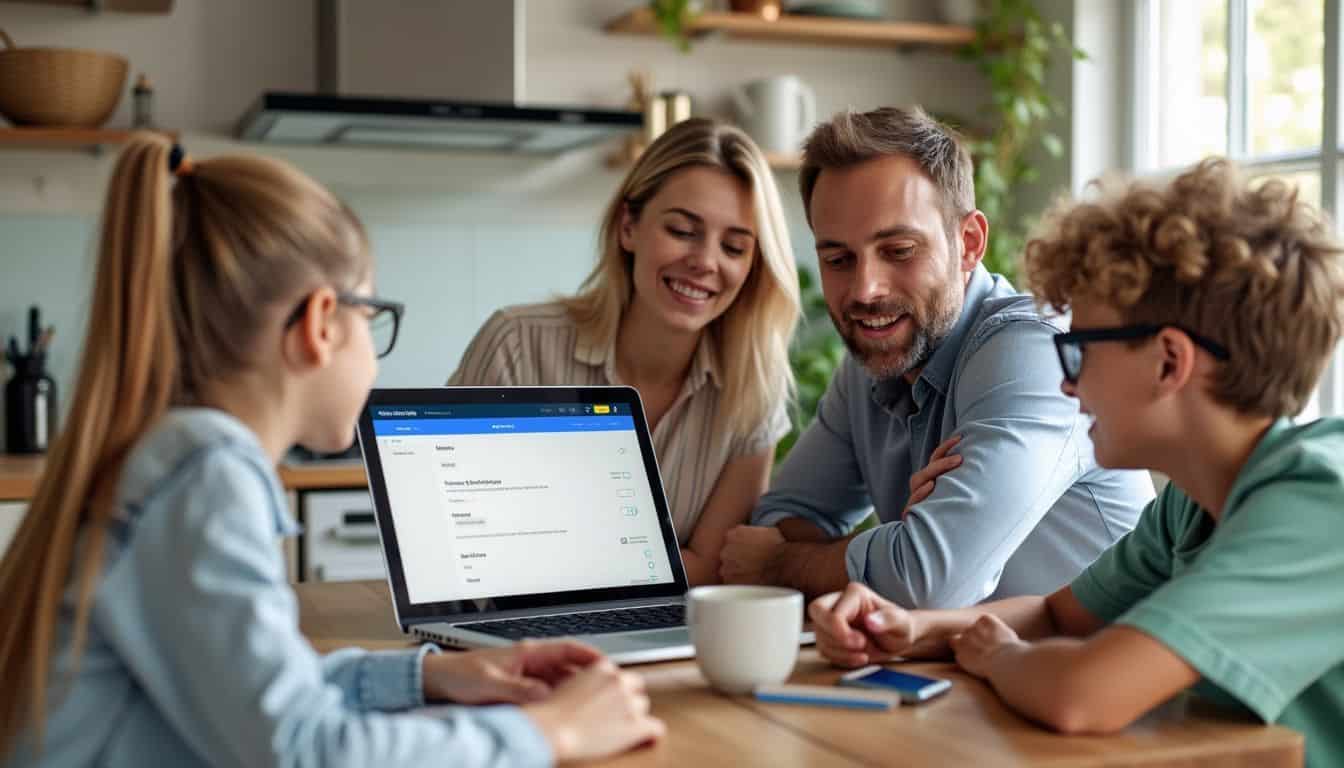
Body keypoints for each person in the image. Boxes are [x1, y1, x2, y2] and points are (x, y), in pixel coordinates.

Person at [0, 136, 663, 767]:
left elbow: (259, 685)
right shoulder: (206, 473)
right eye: (372, 325)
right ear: (320, 324)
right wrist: (553, 729)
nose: (373, 357)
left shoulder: (170, 453)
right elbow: (307, 752)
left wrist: (431, 674)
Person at [808, 158, 1344, 766]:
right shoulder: (1193, 503)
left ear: (1169, 362)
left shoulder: (1320, 503)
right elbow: (1058, 612)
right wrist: (914, 629)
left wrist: (1000, 657)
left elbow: (1082, 695)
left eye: (1080, 350)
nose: (1068, 385)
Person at [718, 106, 1153, 605]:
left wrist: (785, 563)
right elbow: (778, 518)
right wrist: (899, 546)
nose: (865, 290)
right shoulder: (879, 357)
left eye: (899, 250)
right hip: (962, 668)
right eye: (838, 259)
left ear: (969, 244)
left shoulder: (1035, 351)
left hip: (1098, 672)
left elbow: (929, 581)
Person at [449, 118, 800, 585]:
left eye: (734, 247)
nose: (705, 262)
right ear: (628, 226)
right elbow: (466, 542)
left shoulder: (754, 385)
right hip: (518, 630)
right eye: (681, 230)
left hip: (674, 641)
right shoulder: (517, 346)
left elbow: (717, 570)